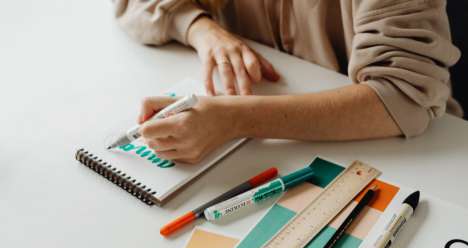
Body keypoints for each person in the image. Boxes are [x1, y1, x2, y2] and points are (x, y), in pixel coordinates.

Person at [114, 0, 461, 163]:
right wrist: (202, 30)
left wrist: (233, 118)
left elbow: (402, 98)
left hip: (405, 155)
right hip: (268, 151)